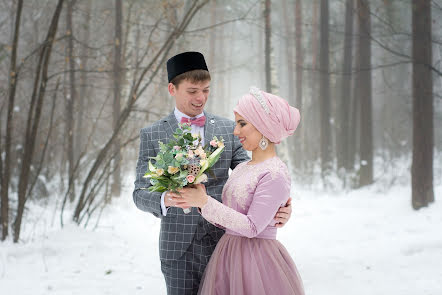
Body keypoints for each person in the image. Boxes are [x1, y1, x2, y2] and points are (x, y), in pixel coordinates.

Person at [133, 52, 293, 295]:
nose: (201, 98)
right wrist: (165, 199)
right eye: (193, 91)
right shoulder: (152, 134)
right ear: (172, 89)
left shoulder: (230, 129)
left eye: (206, 90)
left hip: (225, 244)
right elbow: (139, 192)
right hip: (178, 248)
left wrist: (282, 206)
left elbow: (253, 173)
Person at [171, 87, 305, 294]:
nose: (236, 131)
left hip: (257, 262)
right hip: (227, 255)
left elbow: (252, 227)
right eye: (236, 124)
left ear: (264, 126)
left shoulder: (275, 173)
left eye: (242, 124)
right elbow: (229, 216)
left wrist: (205, 202)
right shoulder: (243, 167)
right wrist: (199, 202)